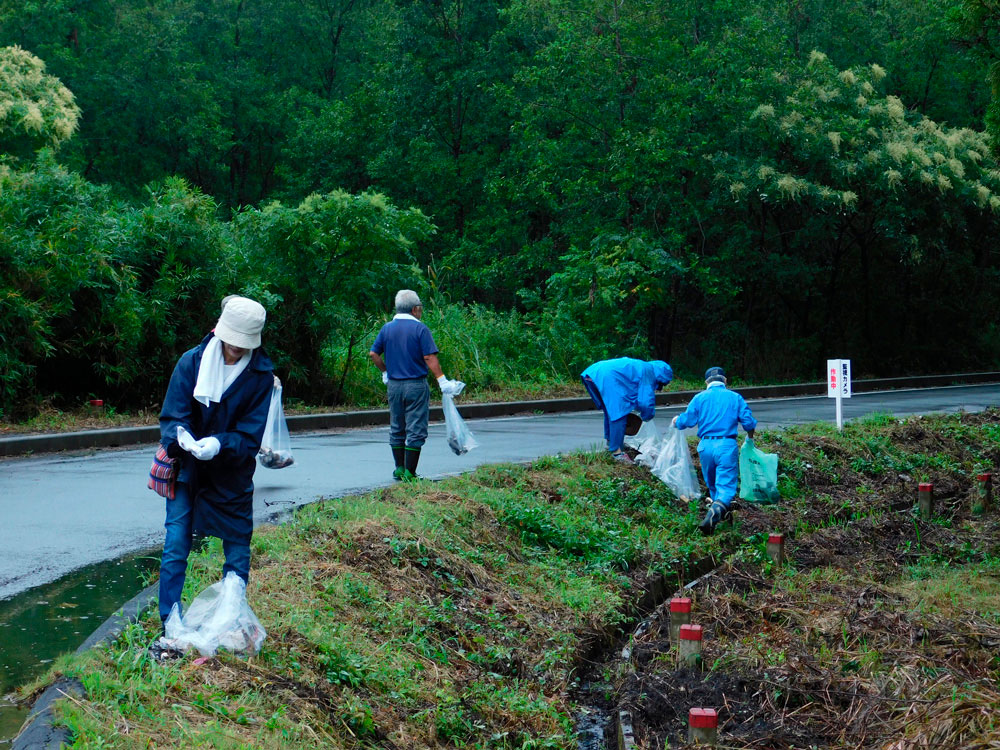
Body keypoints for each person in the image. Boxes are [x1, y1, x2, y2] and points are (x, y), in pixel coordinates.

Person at [157, 296, 274, 629]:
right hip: (187, 470)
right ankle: (171, 621)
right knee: (177, 541)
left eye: (243, 343)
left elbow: (250, 438)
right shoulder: (191, 363)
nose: (235, 348)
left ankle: (229, 621)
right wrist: (182, 439)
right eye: (231, 340)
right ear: (219, 331)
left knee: (237, 543)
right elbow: (172, 416)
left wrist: (218, 444)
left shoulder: (260, 377)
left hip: (232, 474)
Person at [369, 290, 459, 480]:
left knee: (397, 426)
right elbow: (429, 357)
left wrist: (385, 372)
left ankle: (399, 468)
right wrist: (442, 380)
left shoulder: (387, 328)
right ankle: (410, 472)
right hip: (415, 385)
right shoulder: (421, 329)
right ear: (415, 309)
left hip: (394, 385)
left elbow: (373, 354)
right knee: (416, 427)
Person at [672, 366, 758, 535]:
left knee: (713, 485)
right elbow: (748, 423)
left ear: (706, 382)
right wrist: (750, 439)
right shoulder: (735, 397)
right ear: (725, 381)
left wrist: (676, 420)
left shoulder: (699, 398)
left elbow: (686, 421)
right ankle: (715, 513)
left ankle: (719, 515)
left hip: (705, 447)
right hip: (726, 445)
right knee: (725, 487)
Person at [581, 357, 674, 462]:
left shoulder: (642, 367)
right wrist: (647, 416)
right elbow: (645, 401)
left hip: (592, 374)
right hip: (607, 377)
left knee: (610, 412)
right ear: (661, 377)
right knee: (619, 414)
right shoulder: (649, 372)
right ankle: (617, 453)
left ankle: (611, 442)